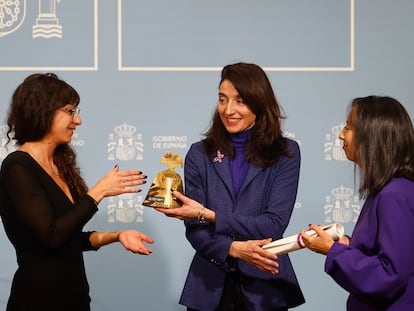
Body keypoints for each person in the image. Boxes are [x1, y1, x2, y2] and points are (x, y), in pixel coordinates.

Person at [156, 62, 305, 311]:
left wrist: (210, 215)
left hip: (265, 285)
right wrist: (233, 249)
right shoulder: (199, 153)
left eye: (240, 101)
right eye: (222, 99)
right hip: (209, 285)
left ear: (259, 103)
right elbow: (195, 229)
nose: (228, 110)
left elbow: (273, 224)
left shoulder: (286, 153)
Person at [0, 73, 154, 311]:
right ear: (44, 110)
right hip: (38, 301)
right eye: (70, 111)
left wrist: (117, 235)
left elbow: (69, 239)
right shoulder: (17, 167)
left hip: (76, 300)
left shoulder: (59, 166)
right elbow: (51, 236)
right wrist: (98, 192)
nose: (78, 121)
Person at [301, 96, 414, 310]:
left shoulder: (395, 194)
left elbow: (389, 275)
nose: (341, 134)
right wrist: (348, 246)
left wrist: (333, 250)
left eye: (349, 127)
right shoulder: (389, 191)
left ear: (372, 137)